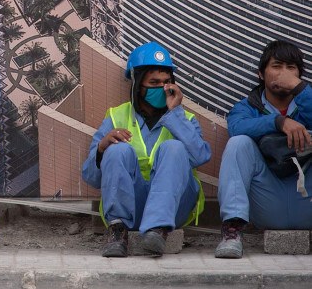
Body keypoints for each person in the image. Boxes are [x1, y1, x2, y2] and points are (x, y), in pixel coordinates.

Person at [82, 42, 211, 257]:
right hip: (132, 205)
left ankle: (158, 229)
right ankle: (117, 231)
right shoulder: (116, 116)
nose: (161, 88)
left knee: (174, 147)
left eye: (166, 82)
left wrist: (175, 114)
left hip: (174, 208)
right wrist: (102, 149)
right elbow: (91, 178)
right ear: (137, 84)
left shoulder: (185, 118)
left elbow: (200, 156)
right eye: (153, 82)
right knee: (116, 150)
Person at [216, 40, 312, 259]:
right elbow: (236, 127)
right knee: (239, 143)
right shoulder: (246, 107)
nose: (283, 74)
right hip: (268, 202)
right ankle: (232, 231)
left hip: (307, 200)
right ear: (261, 74)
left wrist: (299, 89)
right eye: (277, 66)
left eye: (291, 68)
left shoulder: (307, 100)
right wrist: (278, 122)